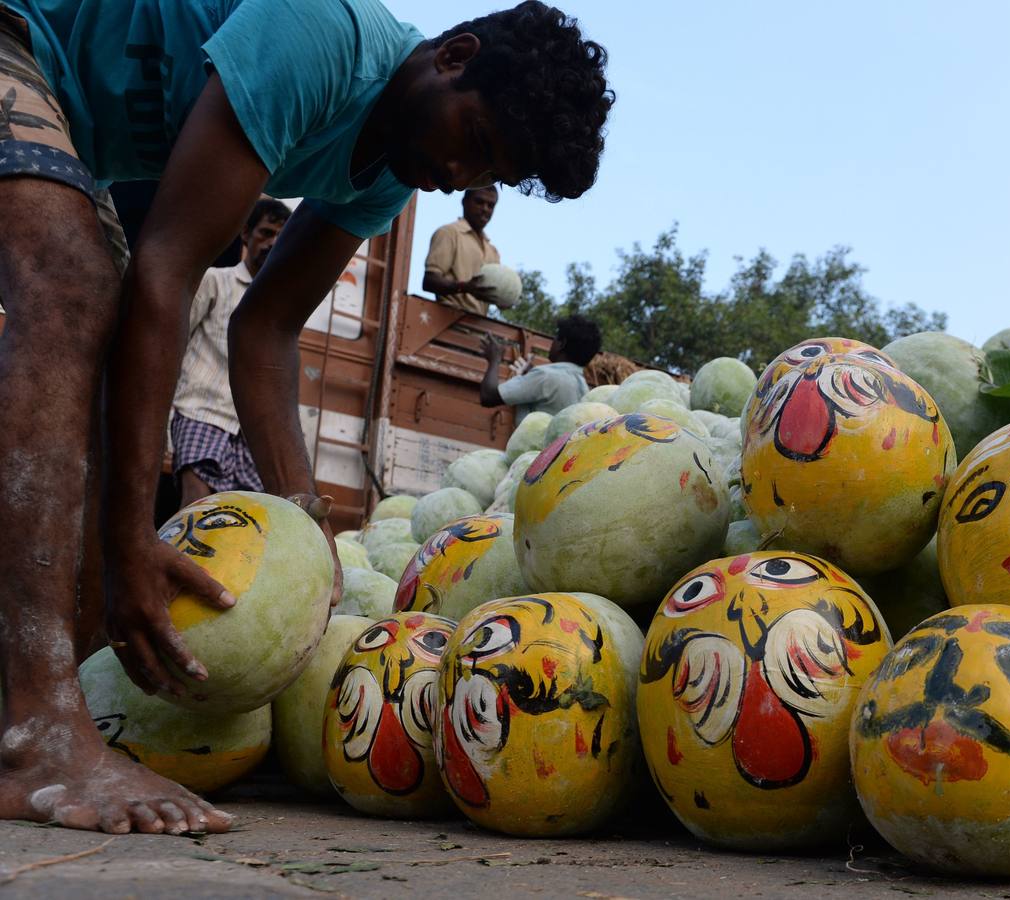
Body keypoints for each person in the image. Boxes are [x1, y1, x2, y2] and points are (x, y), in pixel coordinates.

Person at [0, 0, 612, 836]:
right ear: (453, 55)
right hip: (16, 35)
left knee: (102, 364)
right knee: (74, 286)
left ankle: (44, 699)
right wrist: (129, 538)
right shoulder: (319, 37)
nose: (457, 168)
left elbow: (269, 329)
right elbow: (168, 269)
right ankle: (38, 733)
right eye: (469, 135)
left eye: (486, 169)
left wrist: (304, 520)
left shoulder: (391, 169)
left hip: (68, 124)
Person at [170, 198, 291, 505]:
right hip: (201, 411)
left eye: (280, 236)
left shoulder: (278, 307)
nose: (272, 243)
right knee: (197, 505)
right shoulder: (216, 281)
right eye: (265, 233)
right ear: (246, 235)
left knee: (244, 519)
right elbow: (173, 343)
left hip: (249, 429)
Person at [480, 315, 601, 421]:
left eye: (555, 337)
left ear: (562, 343)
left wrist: (494, 360)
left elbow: (488, 396)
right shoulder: (583, 388)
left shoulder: (545, 376)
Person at [422, 186, 503, 314]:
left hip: (479, 329)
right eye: (479, 202)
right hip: (448, 324)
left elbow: (496, 293)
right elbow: (429, 281)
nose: (485, 209)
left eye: (491, 205)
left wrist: (508, 296)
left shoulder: (493, 251)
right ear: (464, 201)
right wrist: (465, 287)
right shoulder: (448, 233)